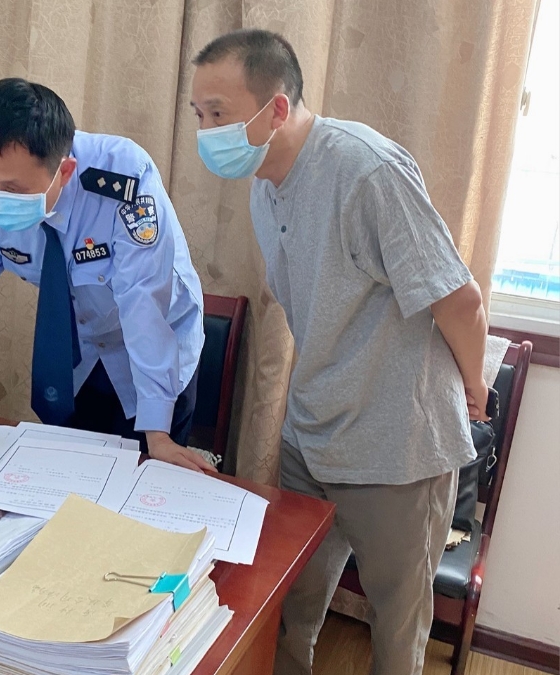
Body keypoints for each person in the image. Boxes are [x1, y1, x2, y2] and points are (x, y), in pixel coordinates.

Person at [190, 29, 486, 675]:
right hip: (312, 430)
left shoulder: (366, 170)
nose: (205, 131)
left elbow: (460, 300)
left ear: (276, 108)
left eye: (218, 113)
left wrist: (474, 387)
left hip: (396, 448)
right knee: (289, 601)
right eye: (198, 114)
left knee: (395, 628)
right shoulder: (264, 186)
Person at [0, 77, 214, 473]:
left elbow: (144, 305)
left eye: (12, 188)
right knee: (73, 479)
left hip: (156, 357)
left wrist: (158, 436)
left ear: (64, 171)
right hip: (79, 354)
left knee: (141, 482)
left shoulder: (124, 182)